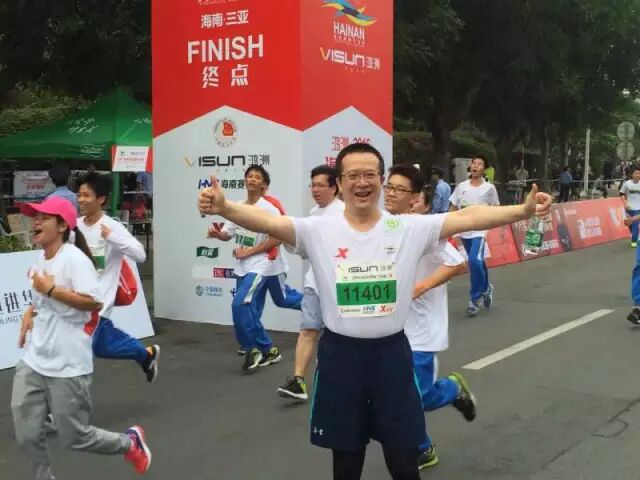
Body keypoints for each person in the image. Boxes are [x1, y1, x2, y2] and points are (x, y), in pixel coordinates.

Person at [198, 143, 552, 480]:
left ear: (381, 181)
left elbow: (468, 216)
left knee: (403, 460)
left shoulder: (409, 227)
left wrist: (521, 211)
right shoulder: (316, 229)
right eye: (352, 175)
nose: (362, 182)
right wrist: (225, 207)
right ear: (340, 183)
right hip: (340, 358)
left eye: (370, 174)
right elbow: (267, 223)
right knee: (346, 460)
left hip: (392, 356)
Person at [12, 196, 151, 479]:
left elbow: (93, 302)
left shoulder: (75, 260)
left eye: (43, 217)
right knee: (27, 433)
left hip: (69, 364)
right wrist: (30, 312)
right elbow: (41, 302)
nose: (35, 222)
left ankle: (130, 443)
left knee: (74, 436)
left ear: (62, 225)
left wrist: (52, 291)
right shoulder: (40, 260)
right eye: (34, 216)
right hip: (35, 361)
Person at [384, 165, 473, 470]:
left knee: (419, 396)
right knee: (397, 395)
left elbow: (458, 264)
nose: (391, 193)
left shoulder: (425, 231)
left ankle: (451, 389)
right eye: (389, 187)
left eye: (399, 189)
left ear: (416, 200)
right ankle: (422, 448)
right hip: (390, 329)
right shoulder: (383, 227)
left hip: (422, 331)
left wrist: (421, 287)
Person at [76, 173, 160, 382]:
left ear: (101, 199)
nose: (81, 200)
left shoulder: (111, 227)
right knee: (100, 346)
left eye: (86, 195)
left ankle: (66, 399)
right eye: (79, 195)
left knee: (80, 351)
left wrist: (112, 238)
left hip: (98, 303)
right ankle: (145, 355)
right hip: (75, 301)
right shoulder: (74, 227)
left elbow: (140, 255)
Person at [206, 165, 284, 372]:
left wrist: (248, 253)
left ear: (264, 185)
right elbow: (227, 234)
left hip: (261, 265)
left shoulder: (269, 209)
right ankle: (268, 349)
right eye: (249, 176)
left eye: (257, 177)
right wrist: (218, 235)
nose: (252, 179)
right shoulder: (238, 206)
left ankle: (251, 349)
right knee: (248, 310)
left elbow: (276, 239)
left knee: (239, 305)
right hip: (242, 266)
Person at [277, 165, 344, 401]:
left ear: (334, 187)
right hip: (314, 282)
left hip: (338, 285)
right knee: (308, 330)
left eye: (320, 185)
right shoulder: (314, 213)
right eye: (313, 185)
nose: (315, 190)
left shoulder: (344, 214)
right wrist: (287, 239)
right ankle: (298, 381)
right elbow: (306, 251)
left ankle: (340, 382)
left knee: (337, 336)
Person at [449, 155, 500, 317]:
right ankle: (486, 288)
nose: (476, 166)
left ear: (484, 169)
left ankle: (474, 299)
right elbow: (453, 207)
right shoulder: (461, 187)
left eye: (480, 164)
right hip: (464, 230)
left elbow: (496, 209)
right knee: (478, 261)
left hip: (480, 231)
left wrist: (491, 224)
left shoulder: (489, 188)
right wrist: (448, 226)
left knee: (474, 261)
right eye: (474, 163)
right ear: (470, 167)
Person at [620, 166, 640, 248]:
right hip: (629, 208)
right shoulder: (627, 183)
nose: (638, 175)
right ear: (632, 174)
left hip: (638, 208)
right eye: (636, 173)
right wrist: (625, 203)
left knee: (635, 224)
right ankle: (636, 236)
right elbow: (621, 193)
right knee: (629, 224)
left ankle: (634, 241)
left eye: (639, 173)